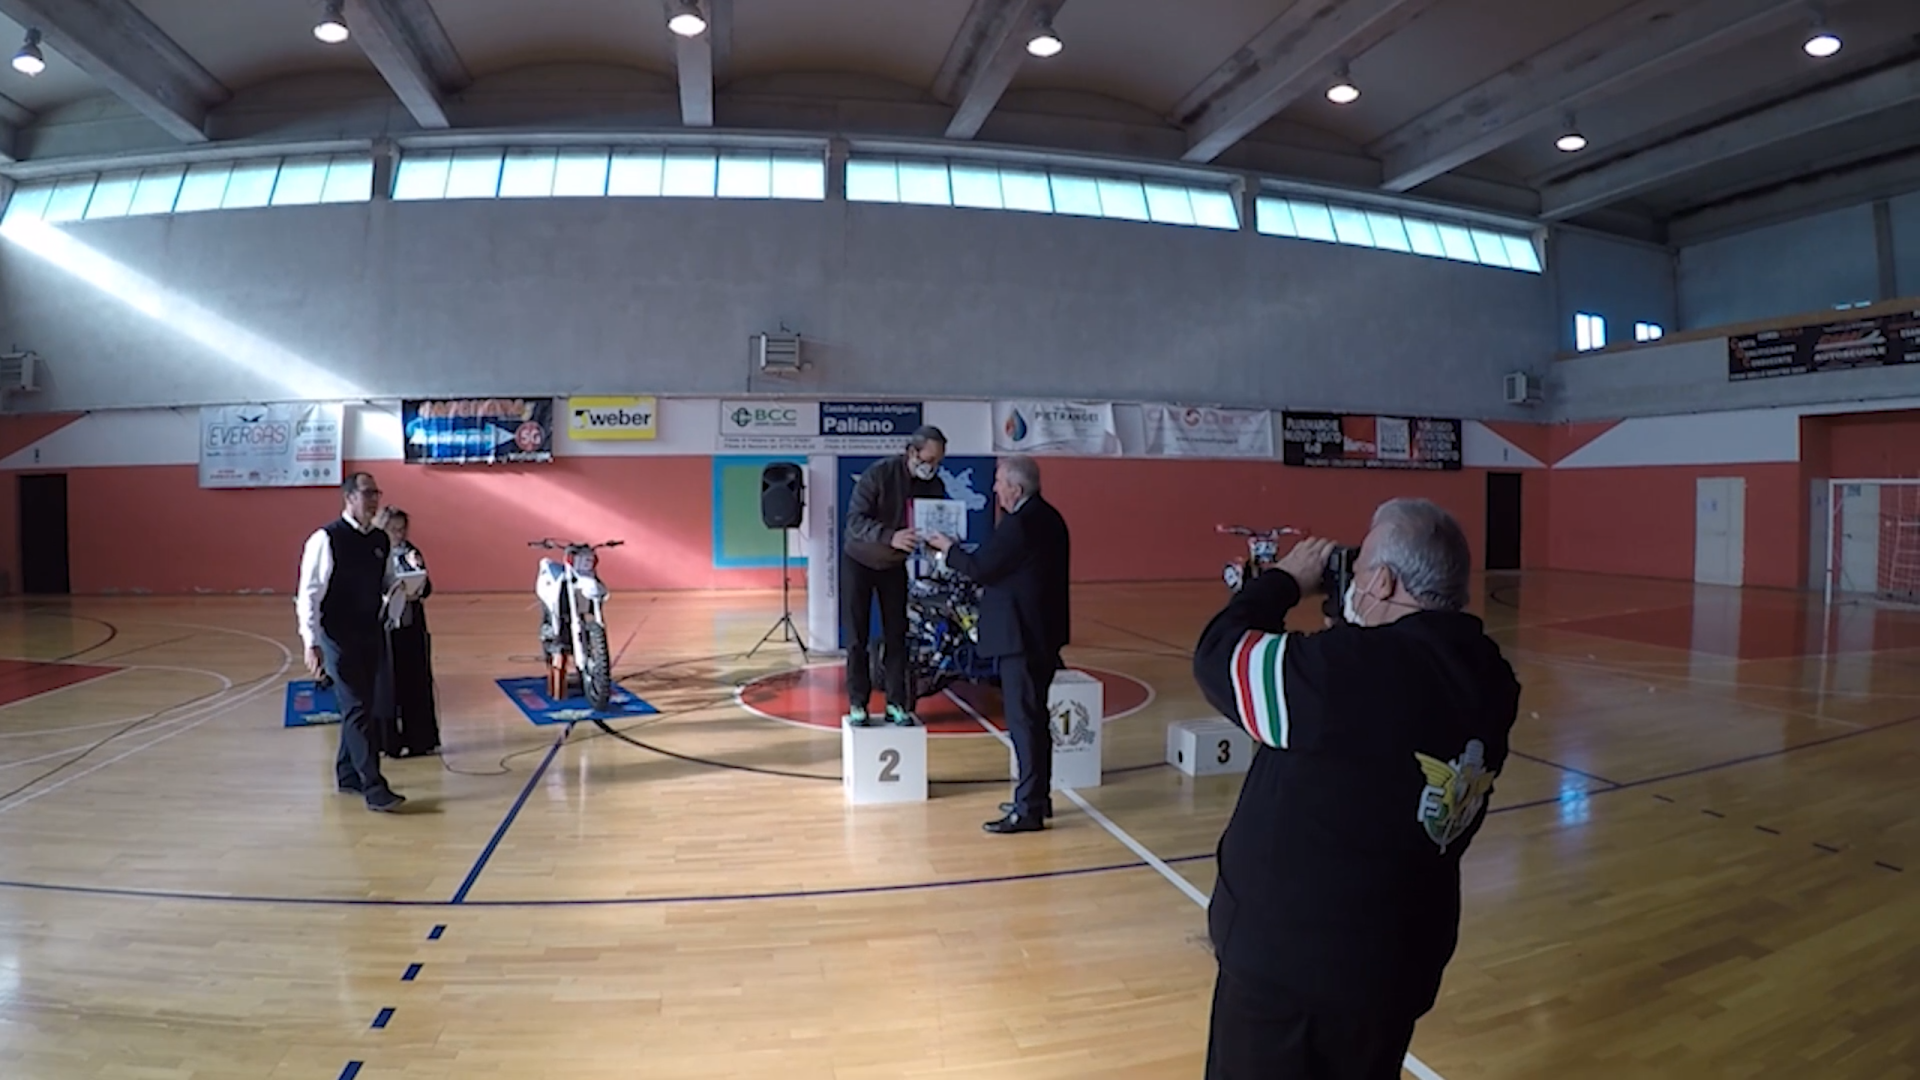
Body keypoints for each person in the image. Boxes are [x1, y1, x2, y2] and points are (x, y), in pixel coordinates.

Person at [1189, 497, 1520, 1079]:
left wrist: (1281, 582)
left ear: (1384, 581)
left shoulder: (1348, 671)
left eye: (1361, 566)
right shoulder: (1492, 676)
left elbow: (1221, 657)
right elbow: (1387, 718)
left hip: (1290, 974)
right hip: (1397, 965)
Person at [925, 454, 1070, 834]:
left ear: (1015, 489)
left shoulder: (1019, 525)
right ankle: (1037, 798)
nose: (994, 489)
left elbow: (981, 568)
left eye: (1000, 482)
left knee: (1024, 723)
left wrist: (947, 549)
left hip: (1021, 638)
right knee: (1035, 720)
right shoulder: (1050, 517)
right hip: (1042, 635)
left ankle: (1028, 810)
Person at [296, 472, 406, 813]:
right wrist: (311, 641)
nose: (374, 500)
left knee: (362, 706)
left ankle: (347, 774)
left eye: (376, 493)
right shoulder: (326, 539)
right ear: (349, 497)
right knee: (358, 707)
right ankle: (374, 787)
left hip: (370, 632)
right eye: (367, 493)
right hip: (337, 636)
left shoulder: (380, 539)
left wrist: (403, 590)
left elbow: (387, 580)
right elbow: (309, 594)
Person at [842, 425, 949, 726]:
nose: (933, 467)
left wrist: (939, 542)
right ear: (912, 452)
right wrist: (890, 536)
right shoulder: (878, 474)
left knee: (898, 635)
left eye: (939, 462)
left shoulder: (934, 486)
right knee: (857, 637)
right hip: (859, 561)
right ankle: (858, 703)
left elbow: (933, 527)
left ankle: (896, 703)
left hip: (893, 566)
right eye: (929, 460)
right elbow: (855, 522)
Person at [380, 508, 441, 759]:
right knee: (387, 686)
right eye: (393, 529)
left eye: (402, 529)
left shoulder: (411, 552)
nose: (399, 534)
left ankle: (420, 740)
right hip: (385, 629)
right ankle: (388, 742)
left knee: (416, 683)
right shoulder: (376, 552)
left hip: (411, 625)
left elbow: (426, 588)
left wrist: (420, 574)